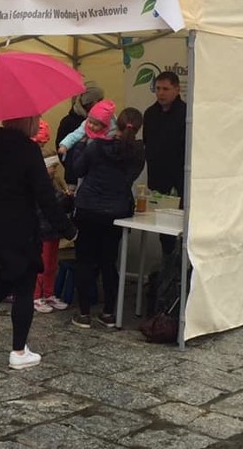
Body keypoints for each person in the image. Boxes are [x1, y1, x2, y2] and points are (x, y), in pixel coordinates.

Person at [0, 116, 77, 370]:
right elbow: (45, 196)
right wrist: (68, 230)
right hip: (19, 227)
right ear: (27, 121)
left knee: (9, 279)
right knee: (24, 284)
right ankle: (18, 351)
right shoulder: (28, 149)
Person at [69, 103, 145, 329]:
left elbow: (78, 170)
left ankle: (83, 313)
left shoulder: (97, 146)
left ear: (115, 124)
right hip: (115, 212)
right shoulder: (138, 153)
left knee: (84, 260)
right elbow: (128, 179)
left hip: (88, 209)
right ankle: (109, 312)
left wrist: (81, 147)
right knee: (108, 261)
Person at [142, 71, 187, 255]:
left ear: (177, 89)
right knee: (164, 230)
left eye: (166, 89)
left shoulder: (186, 113)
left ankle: (183, 269)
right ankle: (167, 266)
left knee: (184, 227)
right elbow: (147, 144)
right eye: (158, 89)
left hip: (181, 180)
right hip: (159, 181)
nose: (161, 93)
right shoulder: (150, 114)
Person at [33, 152, 74, 314]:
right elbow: (46, 205)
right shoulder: (39, 185)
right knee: (41, 264)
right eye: (52, 167)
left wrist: (68, 200)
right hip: (43, 229)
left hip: (53, 229)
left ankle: (48, 293)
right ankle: (36, 295)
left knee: (51, 264)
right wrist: (63, 199)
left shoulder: (55, 183)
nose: (55, 170)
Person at [55, 81, 104, 187]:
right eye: (99, 100)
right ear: (89, 102)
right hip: (74, 177)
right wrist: (71, 166)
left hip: (94, 176)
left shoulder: (101, 121)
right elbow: (61, 148)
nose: (101, 104)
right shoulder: (68, 122)